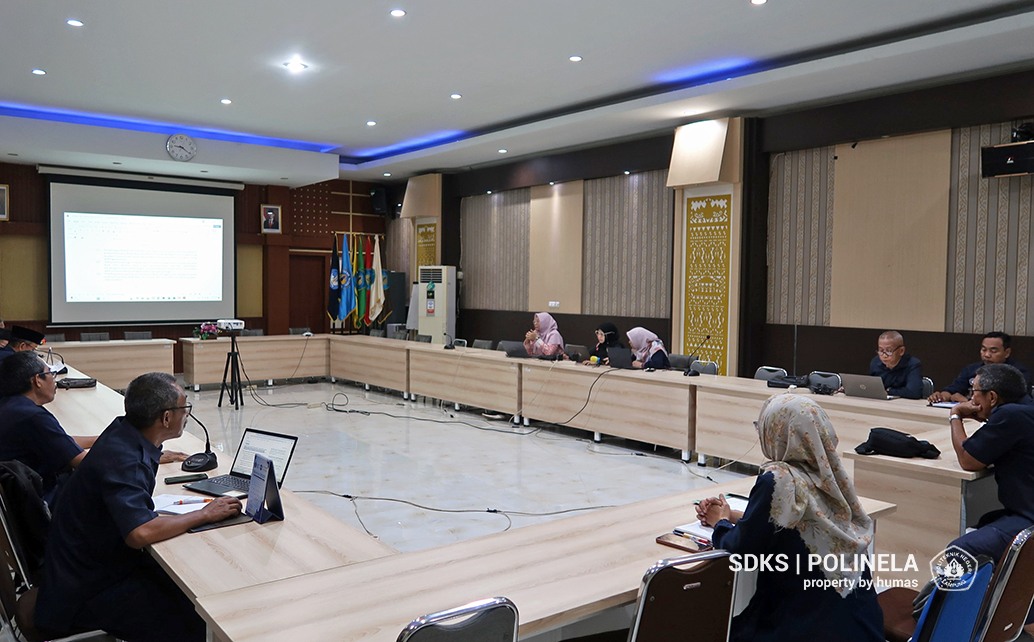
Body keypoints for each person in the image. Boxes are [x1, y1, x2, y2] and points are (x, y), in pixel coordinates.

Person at [34, 372, 242, 642]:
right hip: (85, 593)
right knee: (194, 619)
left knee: (187, 587)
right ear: (165, 418)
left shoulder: (122, 433)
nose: (187, 413)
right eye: (185, 407)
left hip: (87, 568)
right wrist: (204, 513)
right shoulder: (125, 460)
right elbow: (139, 533)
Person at [698, 394, 883, 642]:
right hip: (861, 624)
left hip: (805, 627)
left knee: (712, 627)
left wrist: (720, 524)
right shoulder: (831, 474)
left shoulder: (779, 480)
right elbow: (799, 525)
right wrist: (732, 515)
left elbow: (741, 550)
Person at [947, 362, 1034, 628]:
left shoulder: (1010, 415)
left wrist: (955, 415)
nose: (971, 399)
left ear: (992, 396)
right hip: (1025, 509)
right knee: (985, 522)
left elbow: (968, 459)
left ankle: (958, 626)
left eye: (974, 392)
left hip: (1029, 520)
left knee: (960, 551)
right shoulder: (1025, 410)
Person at [0, 353, 94, 504]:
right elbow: (84, 462)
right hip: (42, 499)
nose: (54, 380)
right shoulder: (33, 416)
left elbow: (60, 441)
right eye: (50, 373)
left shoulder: (12, 405)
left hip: (16, 496)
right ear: (37, 380)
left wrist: (100, 439)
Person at [929, 331, 1032, 403]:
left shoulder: (1017, 373)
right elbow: (954, 389)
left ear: (1007, 352)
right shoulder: (972, 369)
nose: (987, 355)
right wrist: (941, 396)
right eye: (984, 350)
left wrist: (968, 401)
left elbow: (1009, 401)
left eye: (993, 351)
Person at [868, 330, 922, 399]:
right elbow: (872, 388)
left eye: (889, 351)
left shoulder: (913, 364)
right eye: (881, 351)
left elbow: (914, 392)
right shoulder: (875, 362)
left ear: (901, 351)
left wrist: (889, 391)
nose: (884, 355)